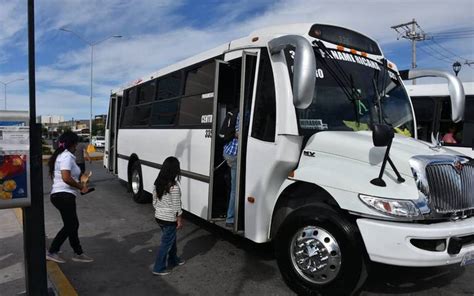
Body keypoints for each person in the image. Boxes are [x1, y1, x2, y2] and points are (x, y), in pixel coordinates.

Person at [46, 131, 93, 263]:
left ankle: (78, 253)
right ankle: (52, 251)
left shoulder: (61, 155)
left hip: (61, 195)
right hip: (64, 195)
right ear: (73, 144)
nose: (77, 145)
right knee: (71, 225)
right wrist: (80, 187)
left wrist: (83, 179)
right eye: (76, 143)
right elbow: (66, 177)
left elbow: (69, 176)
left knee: (71, 224)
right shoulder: (67, 156)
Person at [152, 156, 185, 276]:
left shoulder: (158, 183)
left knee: (171, 239)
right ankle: (158, 267)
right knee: (166, 243)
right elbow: (177, 206)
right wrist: (179, 220)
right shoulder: (174, 187)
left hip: (159, 217)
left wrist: (160, 210)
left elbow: (154, 201)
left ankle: (173, 259)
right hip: (169, 219)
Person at [222, 110, 239, 228]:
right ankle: (230, 218)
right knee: (235, 188)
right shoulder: (243, 113)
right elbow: (238, 133)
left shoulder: (236, 113)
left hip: (228, 152)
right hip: (234, 154)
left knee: (232, 187)